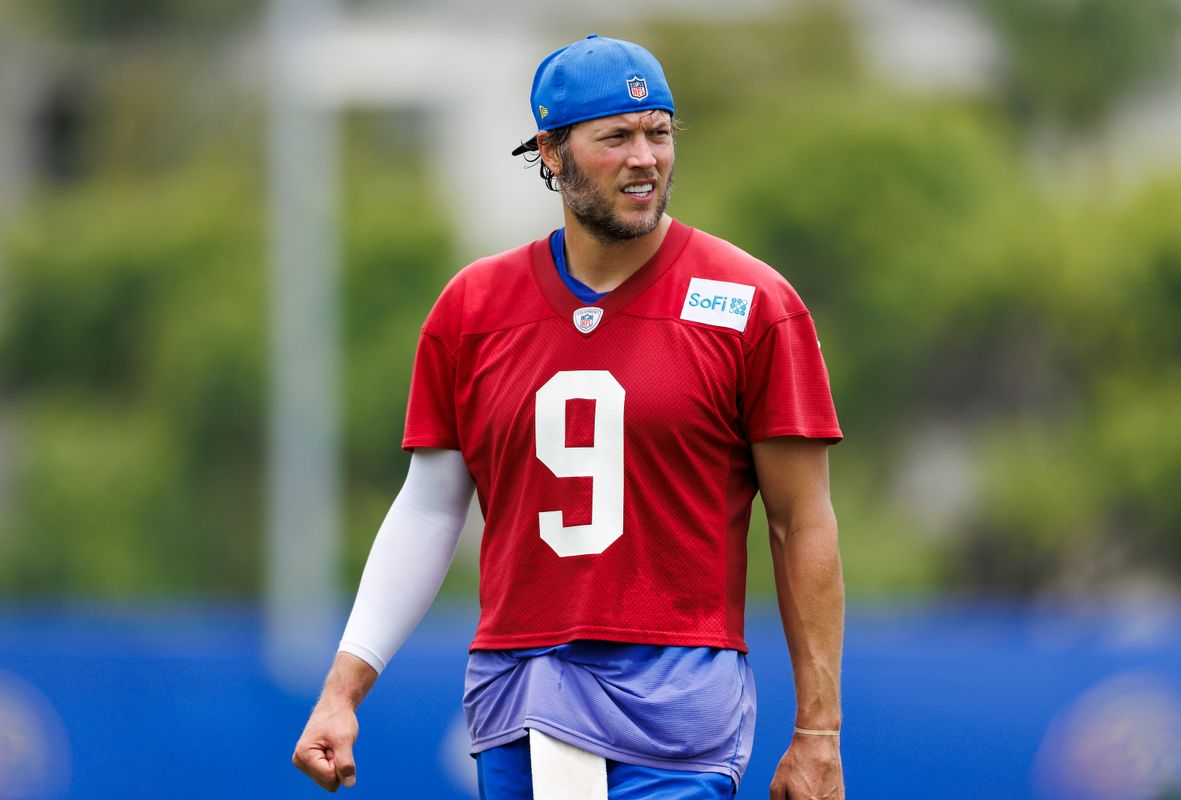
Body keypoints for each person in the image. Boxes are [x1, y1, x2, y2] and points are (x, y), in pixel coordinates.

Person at [293, 34, 845, 800]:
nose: (645, 158)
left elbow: (801, 521)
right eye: (616, 137)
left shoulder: (750, 303)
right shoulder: (473, 310)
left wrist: (819, 731)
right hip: (520, 689)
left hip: (675, 694)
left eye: (658, 133)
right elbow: (429, 509)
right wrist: (342, 690)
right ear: (551, 152)